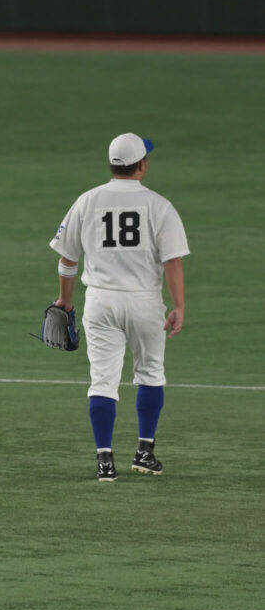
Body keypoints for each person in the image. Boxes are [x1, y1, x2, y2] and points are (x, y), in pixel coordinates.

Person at [48, 132, 189, 481]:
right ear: (141, 166)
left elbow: (67, 260)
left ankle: (104, 461)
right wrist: (179, 305)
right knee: (151, 374)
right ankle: (144, 452)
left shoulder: (87, 201)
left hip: (100, 301)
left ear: (112, 165)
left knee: (102, 382)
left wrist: (65, 300)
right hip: (145, 302)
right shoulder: (159, 205)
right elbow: (172, 262)